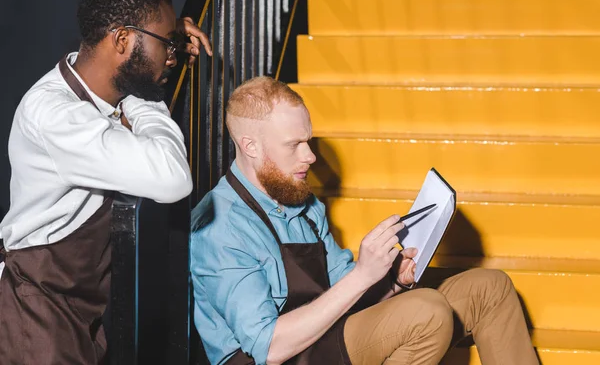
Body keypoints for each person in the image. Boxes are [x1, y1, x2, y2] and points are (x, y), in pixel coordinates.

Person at [190, 76, 539, 365]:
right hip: (280, 355)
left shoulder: (303, 201)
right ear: (250, 146)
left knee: (489, 288)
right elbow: (269, 347)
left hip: (326, 337)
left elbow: (341, 286)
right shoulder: (218, 226)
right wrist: (362, 276)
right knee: (426, 311)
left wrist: (392, 282)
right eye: (294, 145)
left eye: (308, 141)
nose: (310, 156)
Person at [0, 0, 211, 364]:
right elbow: (171, 176)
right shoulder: (54, 113)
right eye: (167, 43)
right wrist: (143, 97)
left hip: (81, 306)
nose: (173, 55)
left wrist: (162, 42)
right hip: (37, 310)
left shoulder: (95, 90)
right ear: (122, 40)